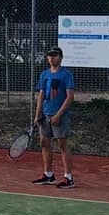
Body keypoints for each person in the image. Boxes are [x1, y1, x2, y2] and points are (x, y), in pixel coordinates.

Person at [32, 46, 75, 189]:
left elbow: (70, 97)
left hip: (60, 116)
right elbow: (41, 95)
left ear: (61, 57)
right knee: (44, 143)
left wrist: (58, 115)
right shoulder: (44, 74)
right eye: (50, 55)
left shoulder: (66, 75)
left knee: (62, 145)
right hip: (45, 115)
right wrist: (37, 114)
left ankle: (68, 178)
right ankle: (48, 175)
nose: (52, 58)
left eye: (55, 55)